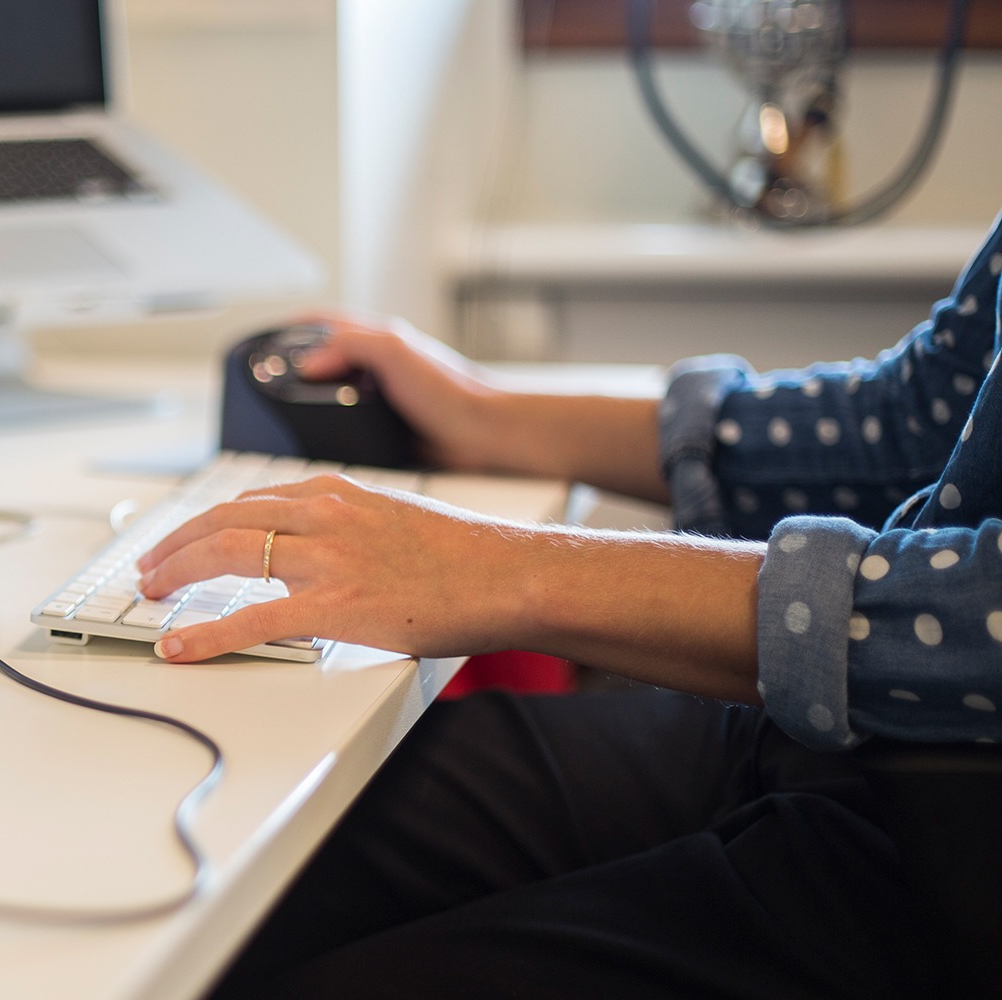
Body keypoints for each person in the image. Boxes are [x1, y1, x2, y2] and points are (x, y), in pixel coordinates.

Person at [142, 218, 1002, 998]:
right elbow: (917, 419)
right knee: (275, 848)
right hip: (849, 743)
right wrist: (483, 414)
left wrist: (514, 574)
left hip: (950, 868)